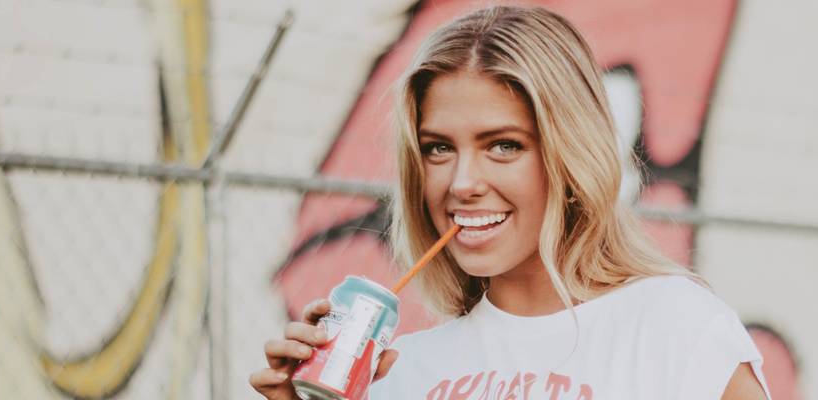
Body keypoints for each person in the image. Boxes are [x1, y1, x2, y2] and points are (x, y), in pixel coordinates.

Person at [250, 5, 771, 399]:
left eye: (503, 146)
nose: (462, 183)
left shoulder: (676, 328)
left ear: (571, 153)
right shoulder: (400, 372)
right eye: (438, 148)